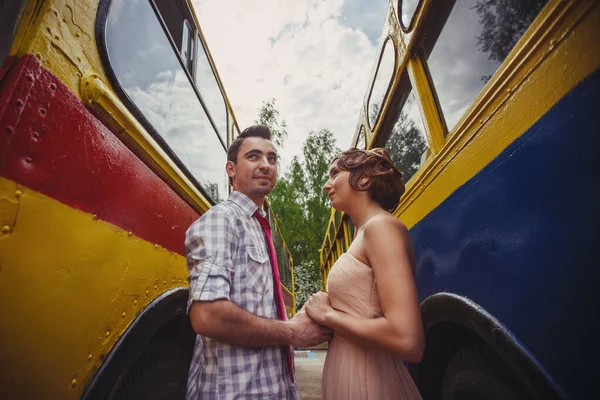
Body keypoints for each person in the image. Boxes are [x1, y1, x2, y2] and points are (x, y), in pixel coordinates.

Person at [185, 125, 331, 399]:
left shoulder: (259, 227)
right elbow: (207, 316)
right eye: (253, 157)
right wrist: (291, 332)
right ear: (231, 169)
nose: (266, 165)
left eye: (272, 159)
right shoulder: (222, 220)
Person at [305, 148, 424, 399]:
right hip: (353, 373)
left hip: (368, 380)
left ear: (364, 178)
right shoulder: (364, 233)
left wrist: (328, 315)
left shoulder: (380, 227)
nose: (327, 185)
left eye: (335, 173)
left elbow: (408, 340)